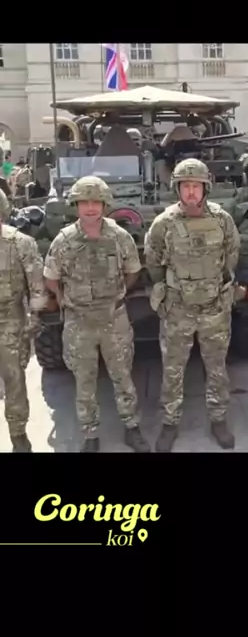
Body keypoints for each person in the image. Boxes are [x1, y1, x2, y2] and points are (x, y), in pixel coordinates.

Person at [43, 176, 150, 452]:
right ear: (76, 206)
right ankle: (90, 435)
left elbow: (133, 271)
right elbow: (51, 278)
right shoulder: (64, 240)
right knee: (84, 382)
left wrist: (117, 293)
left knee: (123, 377)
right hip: (79, 322)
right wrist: (65, 299)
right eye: (84, 203)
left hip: (113, 319)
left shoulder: (119, 236)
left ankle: (132, 427)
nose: (90, 208)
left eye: (95, 202)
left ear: (104, 205)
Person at [144, 158, 241, 453]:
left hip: (214, 309)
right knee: (173, 369)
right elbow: (153, 261)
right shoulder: (164, 223)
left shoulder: (222, 220)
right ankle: (170, 422)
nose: (190, 192)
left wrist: (215, 285)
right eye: (185, 186)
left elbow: (232, 254)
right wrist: (171, 288)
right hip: (178, 310)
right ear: (177, 188)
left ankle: (218, 419)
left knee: (217, 368)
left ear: (205, 188)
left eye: (195, 186)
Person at [0, 188, 49, 451]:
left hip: (10, 323)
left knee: (14, 381)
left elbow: (36, 285)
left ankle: (18, 434)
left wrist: (35, 316)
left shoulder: (21, 243)